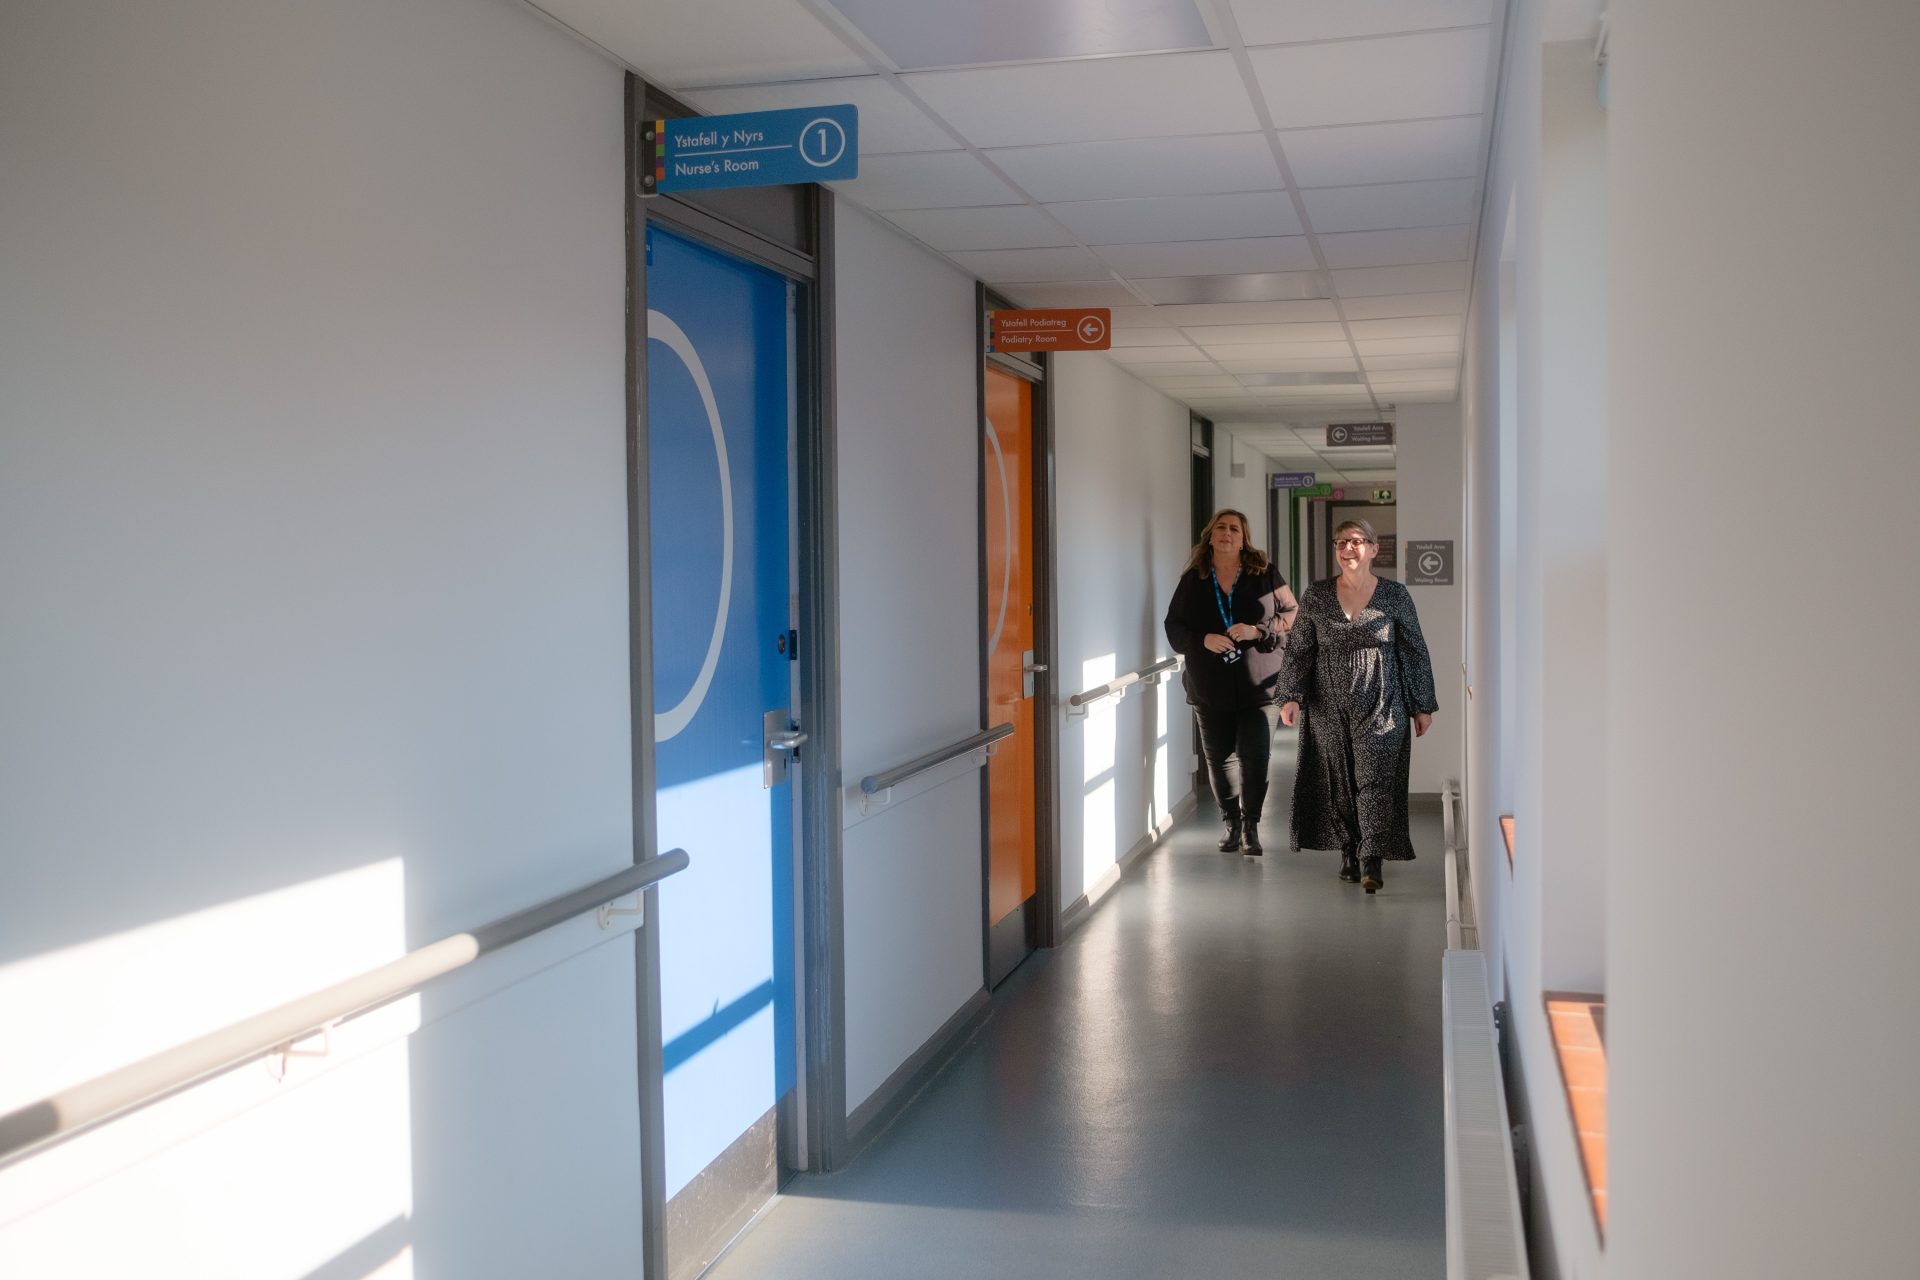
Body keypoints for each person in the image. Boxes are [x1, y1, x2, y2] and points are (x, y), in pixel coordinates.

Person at [1276, 518, 1438, 893]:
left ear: (1373, 549)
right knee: (1340, 780)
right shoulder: (1317, 595)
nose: (1347, 548)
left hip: (1383, 702)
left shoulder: (1395, 595)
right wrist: (1291, 695)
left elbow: (1414, 651)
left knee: (1375, 777)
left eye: (1356, 541)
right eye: (1341, 543)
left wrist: (1422, 704)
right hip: (1327, 705)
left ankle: (1371, 856)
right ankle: (1349, 848)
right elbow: (1299, 649)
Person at [1164, 508, 1299, 855]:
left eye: (1234, 529)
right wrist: (1202, 640)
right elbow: (1173, 625)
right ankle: (1231, 823)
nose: (1227, 533)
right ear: (1210, 536)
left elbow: (1293, 613)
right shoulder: (1194, 579)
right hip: (1209, 685)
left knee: (1256, 757)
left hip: (1260, 686)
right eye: (1221, 528)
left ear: (1243, 539)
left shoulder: (1264, 573)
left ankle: (1251, 826)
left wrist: (1259, 630)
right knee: (1220, 760)